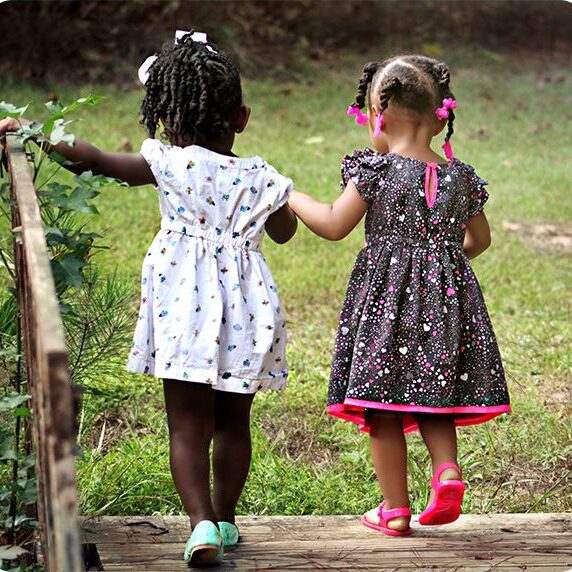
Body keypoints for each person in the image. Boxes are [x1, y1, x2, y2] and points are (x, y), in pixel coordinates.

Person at [1, 31, 297, 565]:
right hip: (249, 313)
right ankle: (227, 520)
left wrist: (34, 132)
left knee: (187, 426)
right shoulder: (260, 176)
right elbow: (283, 232)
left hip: (184, 308)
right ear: (242, 118)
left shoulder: (167, 162)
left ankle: (201, 524)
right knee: (234, 424)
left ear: (164, 116)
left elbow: (94, 160)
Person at [288, 55, 510, 536]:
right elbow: (480, 241)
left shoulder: (376, 171)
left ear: (379, 116)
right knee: (435, 394)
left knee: (382, 406)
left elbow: (332, 224)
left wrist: (289, 195)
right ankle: (446, 472)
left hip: (386, 308)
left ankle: (394, 509)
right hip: (446, 306)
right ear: (439, 116)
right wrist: (443, 265)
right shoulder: (462, 178)